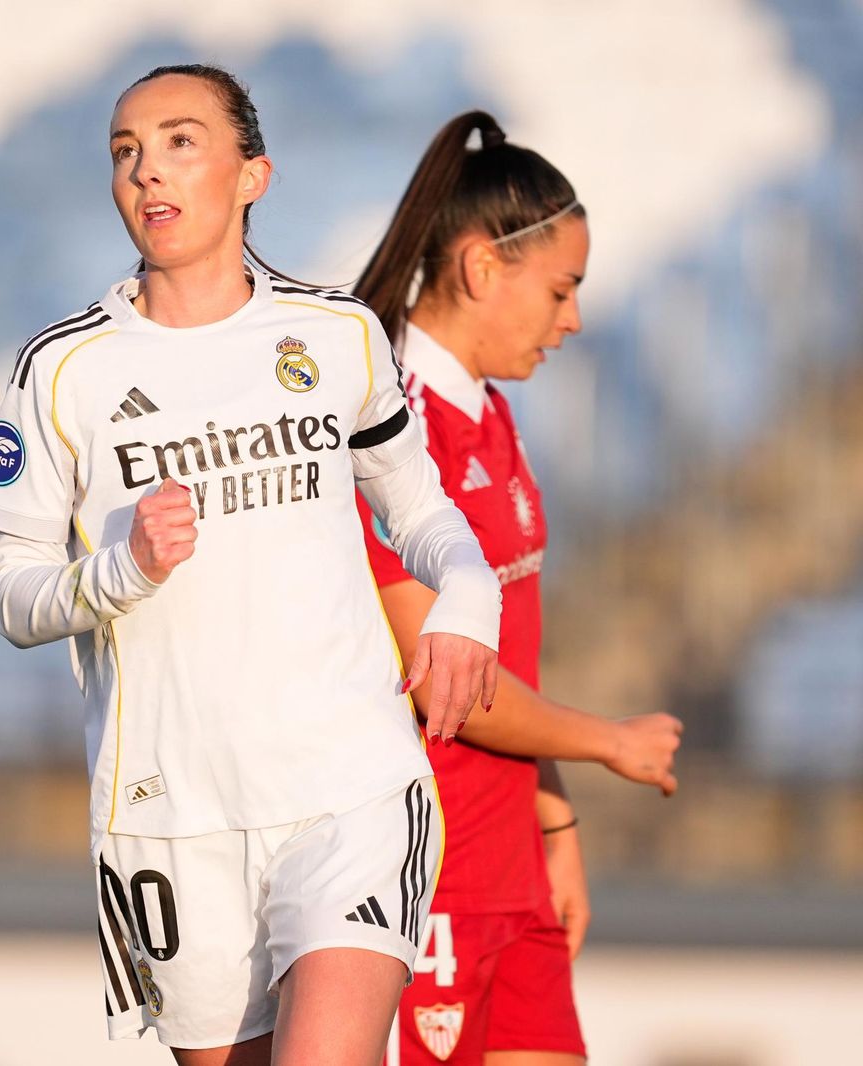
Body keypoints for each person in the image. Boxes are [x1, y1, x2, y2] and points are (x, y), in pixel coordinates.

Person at [0, 65, 503, 1066]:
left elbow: (422, 510)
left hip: (349, 787)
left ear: (252, 174)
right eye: (125, 151)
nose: (146, 172)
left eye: (179, 142)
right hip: (170, 820)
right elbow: (11, 591)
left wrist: (468, 598)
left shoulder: (335, 335)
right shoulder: (63, 368)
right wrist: (118, 570)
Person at [349, 112, 684, 1065]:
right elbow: (440, 676)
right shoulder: (389, 429)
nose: (573, 318)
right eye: (561, 288)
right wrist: (609, 741)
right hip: (428, 877)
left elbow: (508, 651)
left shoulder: (490, 412)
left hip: (512, 874)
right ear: (480, 268)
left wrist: (554, 820)